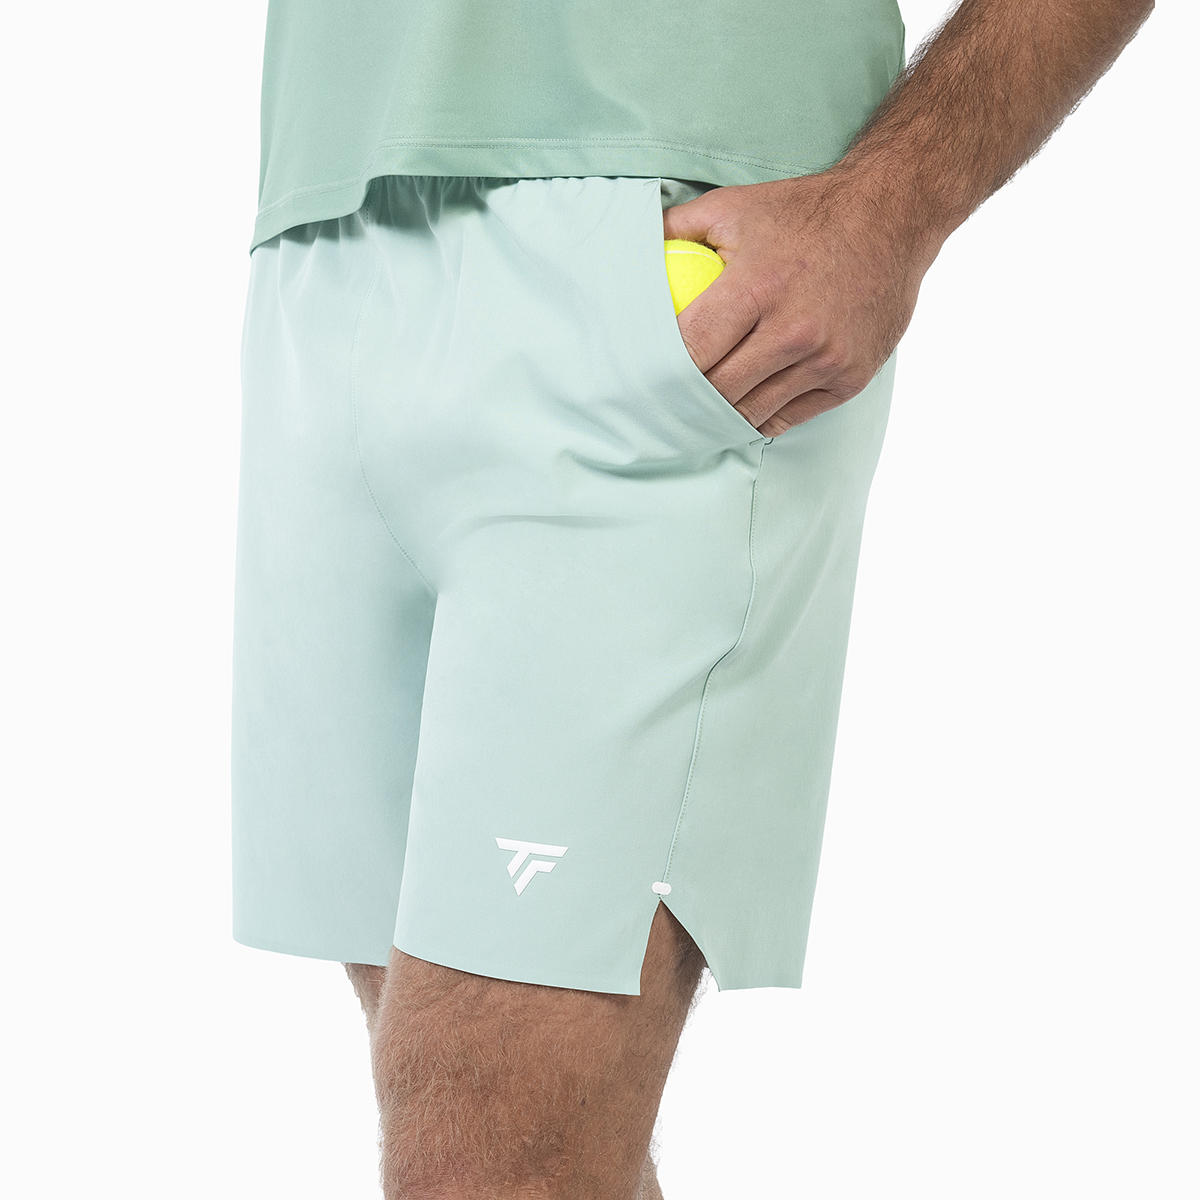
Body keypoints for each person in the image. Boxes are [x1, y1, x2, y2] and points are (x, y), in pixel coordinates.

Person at [231, 1, 1154, 1195]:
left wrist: (890, 203)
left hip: (670, 258)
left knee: (484, 1149)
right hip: (321, 238)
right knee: (531, 1142)